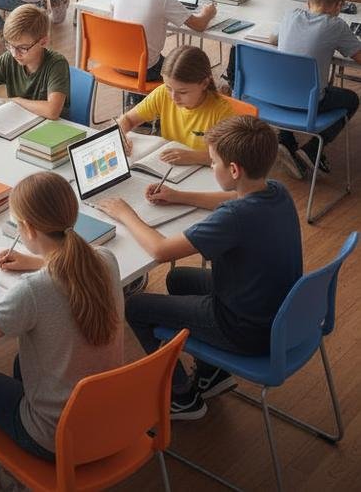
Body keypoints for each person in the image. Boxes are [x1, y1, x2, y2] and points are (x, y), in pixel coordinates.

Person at [97, 116, 302, 421]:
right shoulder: (275, 190)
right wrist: (178, 196)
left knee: (136, 307)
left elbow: (161, 250)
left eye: (213, 162)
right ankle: (212, 375)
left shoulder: (235, 218)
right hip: (277, 312)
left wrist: (125, 214)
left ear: (234, 170)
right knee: (179, 278)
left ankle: (182, 396)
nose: (210, 167)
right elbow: (232, 197)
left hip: (243, 329)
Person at [0, 171, 123, 492]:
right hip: (112, 420)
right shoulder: (105, 259)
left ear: (26, 228)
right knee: (19, 365)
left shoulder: (33, 293)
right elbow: (71, 271)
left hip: (54, 439)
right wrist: (36, 261)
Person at [274, 0, 361, 179]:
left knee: (293, 81)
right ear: (339, 6)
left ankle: (285, 140)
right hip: (309, 102)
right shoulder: (337, 25)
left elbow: (273, 38)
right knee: (352, 99)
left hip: (274, 97)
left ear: (308, 2)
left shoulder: (290, 15)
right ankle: (312, 150)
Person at [113, 0, 217, 97]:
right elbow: (199, 26)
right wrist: (208, 13)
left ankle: (136, 102)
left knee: (155, 57)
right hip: (146, 69)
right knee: (184, 69)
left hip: (115, 61)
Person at [115, 45, 235, 167]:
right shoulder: (162, 94)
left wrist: (193, 157)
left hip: (204, 173)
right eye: (168, 88)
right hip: (170, 167)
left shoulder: (222, 111)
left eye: (183, 92)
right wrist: (121, 136)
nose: (173, 97)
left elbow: (230, 156)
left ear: (204, 83)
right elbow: (128, 119)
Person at [0, 4, 70, 121]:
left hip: (52, 129)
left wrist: (16, 101)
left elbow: (52, 111)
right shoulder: (10, 59)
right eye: (10, 45)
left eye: (22, 48)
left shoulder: (57, 64)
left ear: (43, 42)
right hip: (20, 122)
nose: (15, 54)